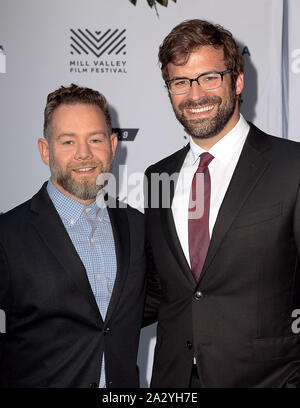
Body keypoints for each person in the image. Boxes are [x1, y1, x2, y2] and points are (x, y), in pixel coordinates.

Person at [144, 19, 300, 388]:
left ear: (238, 80)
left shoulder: (292, 167)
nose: (195, 95)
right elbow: (157, 288)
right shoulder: (157, 177)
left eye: (209, 77)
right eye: (180, 82)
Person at [0, 84, 145, 388]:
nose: (84, 154)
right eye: (68, 142)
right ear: (45, 150)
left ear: (113, 145)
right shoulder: (7, 235)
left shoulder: (138, 226)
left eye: (95, 139)